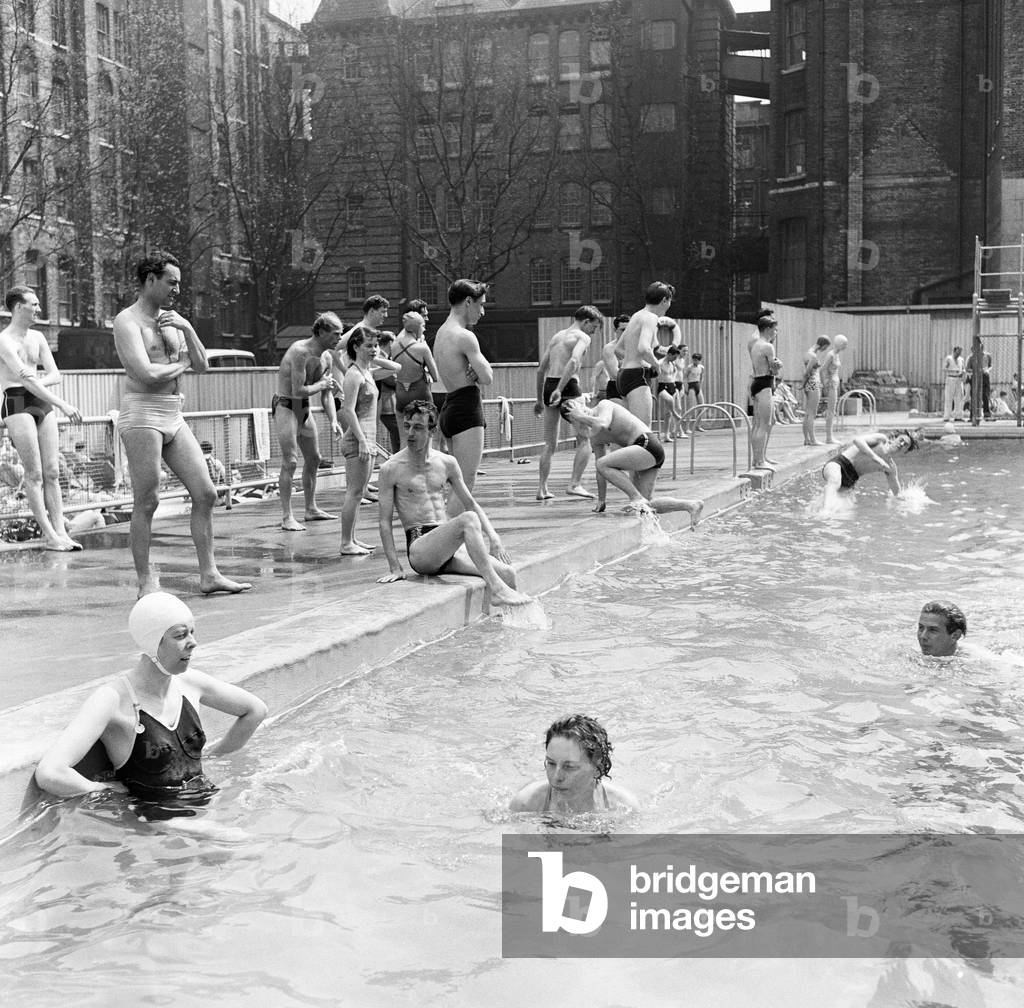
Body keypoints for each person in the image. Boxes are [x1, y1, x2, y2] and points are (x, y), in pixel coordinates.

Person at [34, 592, 267, 800]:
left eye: (192, 633)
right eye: (180, 635)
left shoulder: (190, 683)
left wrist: (216, 757)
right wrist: (102, 790)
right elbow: (50, 772)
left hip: (205, 801)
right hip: (159, 824)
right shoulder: (112, 698)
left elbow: (255, 710)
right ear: (153, 642)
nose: (193, 643)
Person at [112, 252, 251, 596]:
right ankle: (145, 582)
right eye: (171, 282)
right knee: (148, 500)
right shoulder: (127, 321)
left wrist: (187, 327)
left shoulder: (173, 319)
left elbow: (203, 365)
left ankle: (209, 574)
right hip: (142, 413)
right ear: (149, 280)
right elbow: (145, 373)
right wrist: (184, 363)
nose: (177, 288)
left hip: (173, 412)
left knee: (206, 493)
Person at [375, 400, 531, 607]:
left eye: (418, 427)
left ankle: (504, 628)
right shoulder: (391, 468)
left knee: (509, 574)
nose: (410, 433)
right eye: (407, 426)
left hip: (448, 546)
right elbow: (384, 522)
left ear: (432, 431)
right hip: (421, 549)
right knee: (468, 520)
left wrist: (494, 538)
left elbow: (471, 503)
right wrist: (395, 567)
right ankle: (497, 590)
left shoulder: (446, 463)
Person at [0, 285, 84, 550]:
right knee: (34, 473)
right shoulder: (4, 340)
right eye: (33, 304)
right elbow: (22, 378)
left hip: (40, 400)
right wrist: (63, 405)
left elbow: (55, 374)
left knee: (52, 471)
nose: (38, 309)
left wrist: (35, 383)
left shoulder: (37, 337)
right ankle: (49, 536)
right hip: (16, 401)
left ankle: (61, 532)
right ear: (17, 307)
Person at [560, 396, 703, 525]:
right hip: (643, 454)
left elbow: (602, 423)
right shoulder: (594, 436)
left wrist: (578, 415)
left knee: (634, 498)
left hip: (647, 444)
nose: (583, 414)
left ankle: (635, 497)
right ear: (573, 422)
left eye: (582, 409)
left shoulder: (604, 405)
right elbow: (601, 471)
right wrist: (601, 500)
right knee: (646, 505)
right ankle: (691, 505)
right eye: (575, 417)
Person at [272, 312, 343, 531]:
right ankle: (287, 516)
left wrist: (333, 420)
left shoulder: (327, 357)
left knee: (314, 458)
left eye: (340, 334)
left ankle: (311, 508)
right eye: (335, 334)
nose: (339, 338)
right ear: (321, 332)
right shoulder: (300, 352)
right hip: (287, 405)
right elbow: (298, 390)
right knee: (290, 461)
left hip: (303, 408)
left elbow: (326, 393)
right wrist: (323, 385)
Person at [432, 278, 492, 516]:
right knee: (464, 483)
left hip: (450, 405)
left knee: (457, 482)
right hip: (466, 406)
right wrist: (478, 369)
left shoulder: (441, 333)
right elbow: (487, 377)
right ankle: (445, 537)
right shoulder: (464, 336)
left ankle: (447, 536)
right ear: (468, 301)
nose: (483, 311)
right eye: (481, 305)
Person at [339, 326, 399, 555]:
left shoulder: (367, 372)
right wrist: (362, 441)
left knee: (360, 491)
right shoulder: (354, 374)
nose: (374, 350)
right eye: (368, 346)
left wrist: (376, 357)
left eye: (375, 345)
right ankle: (346, 542)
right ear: (355, 347)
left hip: (367, 439)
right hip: (358, 440)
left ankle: (352, 539)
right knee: (354, 493)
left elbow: (397, 367)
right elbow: (347, 410)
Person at [534, 304, 602, 500]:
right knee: (585, 437)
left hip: (549, 384)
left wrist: (540, 399)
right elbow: (573, 362)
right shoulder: (582, 337)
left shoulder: (557, 337)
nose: (594, 332)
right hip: (568, 386)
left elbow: (540, 370)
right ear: (586, 321)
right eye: (594, 327)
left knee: (549, 443)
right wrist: (560, 389)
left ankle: (542, 488)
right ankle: (575, 484)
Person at [509, 714, 638, 814]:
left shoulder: (623, 808)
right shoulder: (525, 805)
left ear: (598, 768)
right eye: (551, 763)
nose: (556, 777)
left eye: (569, 767)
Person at [614, 282, 674, 426]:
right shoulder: (651, 317)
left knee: (627, 433)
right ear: (665, 300)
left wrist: (632, 359)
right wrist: (655, 364)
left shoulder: (636, 315)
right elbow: (643, 348)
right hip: (637, 376)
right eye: (670, 301)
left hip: (624, 375)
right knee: (643, 433)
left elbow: (618, 348)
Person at [819, 429, 920, 510]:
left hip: (850, 480)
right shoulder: (881, 440)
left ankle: (817, 508)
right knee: (835, 481)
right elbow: (857, 441)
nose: (901, 444)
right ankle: (824, 514)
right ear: (896, 438)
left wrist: (910, 501)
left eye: (905, 445)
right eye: (901, 440)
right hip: (839, 463)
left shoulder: (890, 467)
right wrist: (876, 458)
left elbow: (897, 493)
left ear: (905, 452)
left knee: (844, 510)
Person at [391, 311, 440, 442]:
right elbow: (435, 376)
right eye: (423, 326)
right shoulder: (422, 348)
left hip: (401, 392)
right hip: (420, 392)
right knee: (427, 436)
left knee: (404, 439)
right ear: (417, 327)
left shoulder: (394, 345)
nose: (424, 329)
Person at [748, 314, 780, 468]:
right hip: (765, 384)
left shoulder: (755, 344)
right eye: (774, 330)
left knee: (759, 424)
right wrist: (778, 366)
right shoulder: (768, 346)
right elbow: (774, 371)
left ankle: (758, 459)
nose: (776, 333)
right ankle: (760, 461)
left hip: (757, 383)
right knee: (764, 424)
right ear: (767, 329)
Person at [802, 336, 830, 446]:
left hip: (809, 384)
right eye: (826, 347)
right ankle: (813, 439)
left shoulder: (807, 353)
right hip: (813, 383)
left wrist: (804, 384)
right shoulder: (813, 356)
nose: (825, 350)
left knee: (807, 413)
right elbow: (807, 372)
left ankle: (807, 439)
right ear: (822, 345)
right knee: (812, 413)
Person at [654, 343, 684, 441]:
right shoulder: (660, 363)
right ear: (669, 354)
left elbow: (674, 375)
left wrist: (675, 387)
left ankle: (666, 435)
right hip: (662, 387)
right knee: (670, 400)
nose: (675, 359)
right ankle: (675, 414)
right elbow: (655, 377)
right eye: (674, 357)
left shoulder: (673, 364)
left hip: (672, 386)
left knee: (668, 414)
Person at [822, 333, 848, 443]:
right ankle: (829, 436)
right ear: (839, 344)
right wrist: (826, 383)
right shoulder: (831, 355)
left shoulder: (836, 354)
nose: (845, 347)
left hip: (835, 382)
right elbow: (823, 369)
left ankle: (830, 435)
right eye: (844, 344)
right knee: (831, 410)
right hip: (831, 383)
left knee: (833, 410)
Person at [599, 314, 629, 406]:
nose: (626, 333)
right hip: (616, 388)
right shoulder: (610, 348)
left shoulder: (636, 346)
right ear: (615, 330)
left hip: (633, 387)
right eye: (623, 330)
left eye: (628, 330)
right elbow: (615, 373)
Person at [681, 350, 704, 434]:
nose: (695, 361)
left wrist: (700, 386)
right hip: (691, 386)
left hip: (698, 385)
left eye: (697, 360)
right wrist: (686, 388)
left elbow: (701, 377)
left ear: (699, 360)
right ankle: (687, 427)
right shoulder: (689, 367)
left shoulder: (701, 367)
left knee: (702, 407)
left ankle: (698, 425)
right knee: (691, 408)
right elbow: (685, 377)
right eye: (694, 360)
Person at [941, 345, 965, 422]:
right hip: (951, 378)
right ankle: (947, 416)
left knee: (959, 398)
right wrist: (953, 370)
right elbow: (944, 368)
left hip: (959, 379)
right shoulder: (949, 359)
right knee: (949, 397)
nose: (959, 354)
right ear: (954, 351)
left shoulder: (961, 359)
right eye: (958, 352)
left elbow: (963, 368)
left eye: (960, 352)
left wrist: (962, 372)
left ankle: (958, 416)